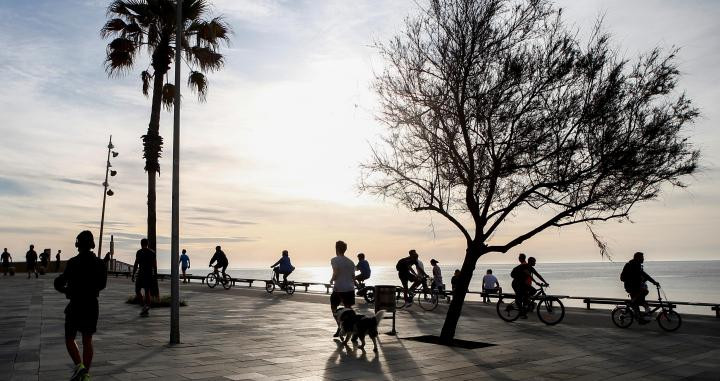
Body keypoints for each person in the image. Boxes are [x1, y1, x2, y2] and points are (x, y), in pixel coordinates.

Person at [53, 230, 107, 381]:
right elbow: (102, 285)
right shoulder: (100, 263)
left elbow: (61, 282)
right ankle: (85, 373)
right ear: (91, 244)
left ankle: (80, 367)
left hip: (75, 304)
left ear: (78, 244)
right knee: (87, 340)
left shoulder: (73, 262)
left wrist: (65, 290)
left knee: (69, 338)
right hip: (91, 305)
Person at [621, 252, 659, 322]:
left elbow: (644, 275)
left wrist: (654, 282)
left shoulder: (638, 266)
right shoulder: (629, 265)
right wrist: (633, 280)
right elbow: (622, 278)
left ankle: (639, 313)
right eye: (642, 258)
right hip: (631, 287)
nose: (643, 259)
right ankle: (638, 317)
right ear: (637, 258)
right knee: (638, 299)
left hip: (638, 287)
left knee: (642, 296)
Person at [330, 240, 355, 337]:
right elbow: (353, 276)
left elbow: (336, 271)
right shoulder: (351, 262)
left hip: (339, 289)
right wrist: (356, 284)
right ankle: (351, 328)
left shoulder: (334, 260)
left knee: (334, 308)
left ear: (336, 249)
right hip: (350, 289)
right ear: (345, 249)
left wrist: (332, 279)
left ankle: (340, 327)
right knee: (348, 309)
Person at [132, 239, 157, 317]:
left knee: (137, 290)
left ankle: (144, 305)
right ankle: (146, 306)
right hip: (149, 274)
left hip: (141, 274)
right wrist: (154, 275)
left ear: (141, 244)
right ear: (147, 243)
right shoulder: (152, 253)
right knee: (147, 291)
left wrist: (133, 274)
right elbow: (155, 265)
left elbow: (136, 263)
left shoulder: (139, 252)